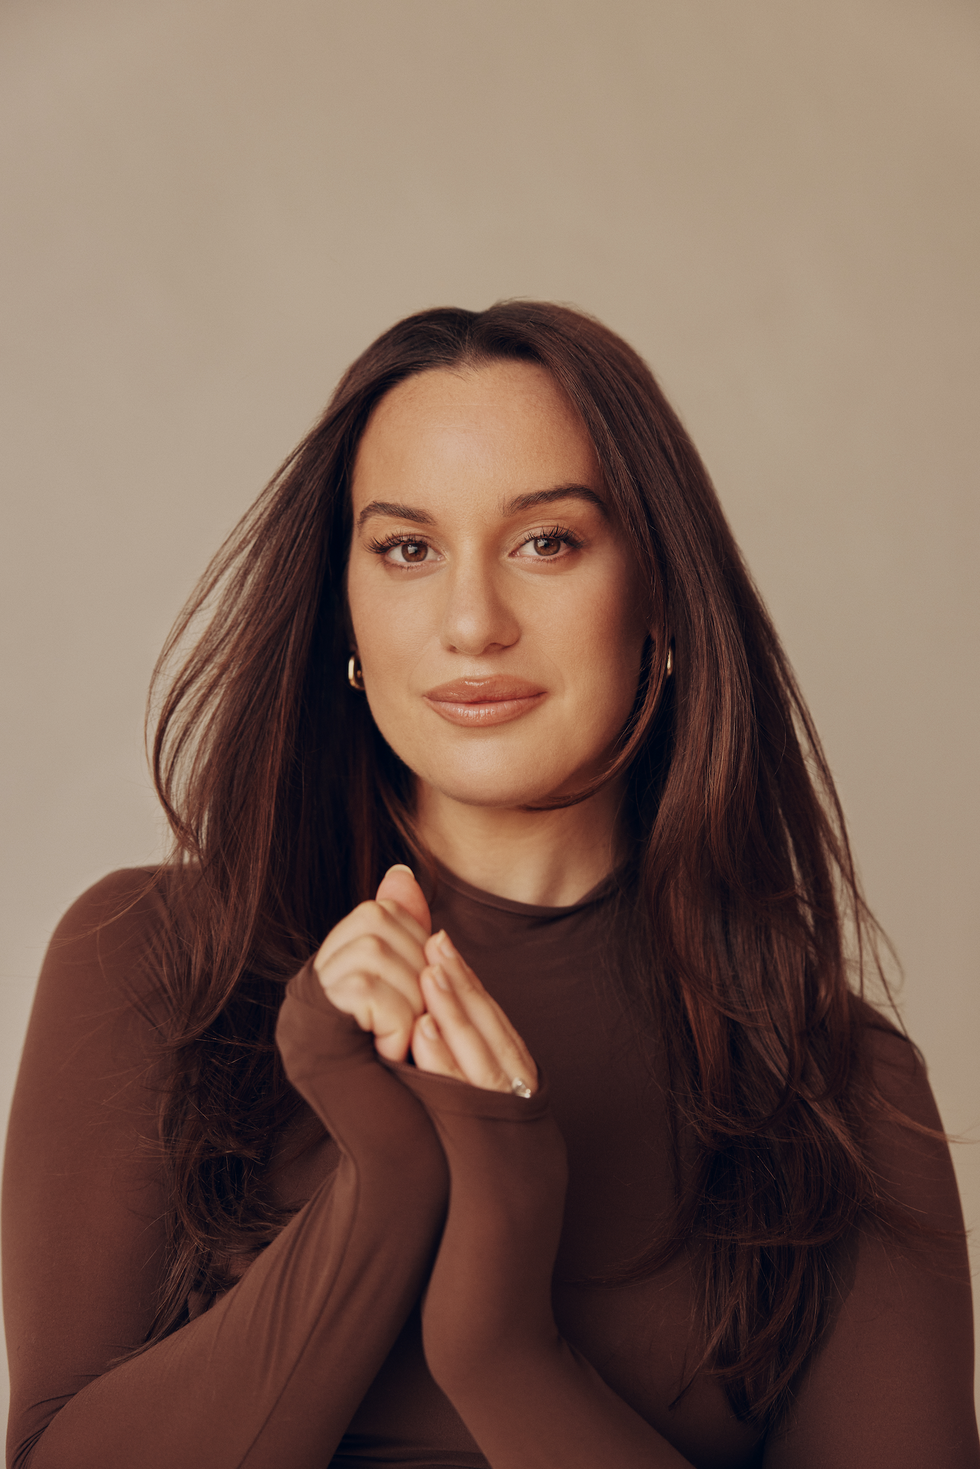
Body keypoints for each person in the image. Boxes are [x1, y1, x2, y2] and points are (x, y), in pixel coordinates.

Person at [3, 302, 977, 1469]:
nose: (473, 623)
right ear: (346, 613)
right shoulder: (154, 957)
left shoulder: (835, 1085)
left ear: (656, 596)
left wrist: (502, 1340)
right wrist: (386, 1184)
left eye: (546, 542)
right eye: (407, 549)